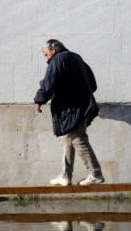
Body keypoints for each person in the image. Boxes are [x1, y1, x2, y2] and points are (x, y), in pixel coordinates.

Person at [34, 40, 105, 186]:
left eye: (46, 54)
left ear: (53, 49)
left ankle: (95, 173)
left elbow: (49, 82)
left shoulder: (58, 59)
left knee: (78, 138)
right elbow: (92, 83)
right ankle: (65, 176)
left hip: (72, 108)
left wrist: (40, 99)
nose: (46, 58)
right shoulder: (76, 57)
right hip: (81, 106)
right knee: (68, 139)